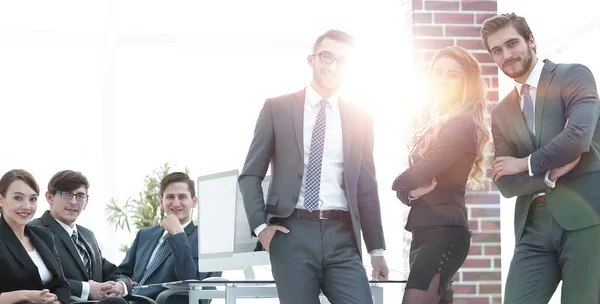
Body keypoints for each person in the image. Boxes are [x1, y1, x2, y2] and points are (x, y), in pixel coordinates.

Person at [238, 29, 389, 304]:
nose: (333, 66)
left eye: (342, 61)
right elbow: (250, 175)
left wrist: (376, 248)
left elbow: (367, 186)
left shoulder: (361, 117)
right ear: (312, 59)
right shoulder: (277, 108)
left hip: (343, 236)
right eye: (326, 56)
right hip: (292, 233)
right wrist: (262, 229)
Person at [481, 13, 600, 303]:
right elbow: (506, 183)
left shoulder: (574, 76)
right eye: (497, 50)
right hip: (532, 226)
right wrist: (548, 174)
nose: (506, 55)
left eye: (512, 44)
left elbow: (578, 138)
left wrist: (525, 163)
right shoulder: (500, 113)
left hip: (586, 218)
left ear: (531, 40)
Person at [391, 46, 490, 304]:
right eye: (438, 73)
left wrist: (399, 183)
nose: (443, 80)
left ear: (466, 82)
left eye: (453, 75)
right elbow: (413, 185)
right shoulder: (437, 121)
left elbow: (423, 171)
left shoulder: (462, 124)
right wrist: (410, 191)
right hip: (424, 229)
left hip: (444, 232)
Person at [29, 170, 132, 302]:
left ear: (86, 202)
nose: (73, 201)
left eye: (80, 196)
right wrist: (87, 289)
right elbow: (40, 279)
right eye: (66, 194)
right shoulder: (35, 230)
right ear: (50, 197)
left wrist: (120, 286)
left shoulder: (88, 235)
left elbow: (114, 273)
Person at [118, 172, 208, 303]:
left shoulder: (202, 238)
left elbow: (190, 280)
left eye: (182, 197)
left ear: (194, 201)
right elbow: (122, 272)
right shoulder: (145, 234)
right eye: (170, 197)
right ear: (161, 201)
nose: (176, 203)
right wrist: (121, 284)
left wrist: (178, 234)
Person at [0, 169, 70, 304]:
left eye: (33, 199)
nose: (27, 206)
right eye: (18, 198)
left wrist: (58, 302)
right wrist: (26, 295)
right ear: (1, 200)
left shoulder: (44, 236)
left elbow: (62, 284)